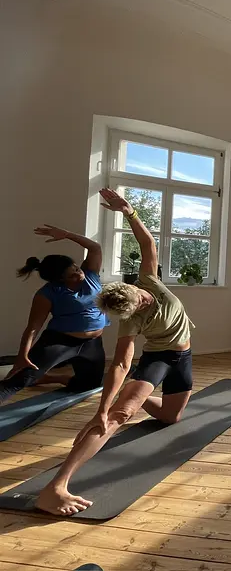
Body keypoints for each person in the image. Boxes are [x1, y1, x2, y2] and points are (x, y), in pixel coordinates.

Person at [34, 188, 194, 516]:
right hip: (160, 359)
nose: (147, 302)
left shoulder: (147, 281)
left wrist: (129, 211)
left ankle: (126, 398)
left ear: (135, 288)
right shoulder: (130, 322)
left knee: (170, 416)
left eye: (143, 298)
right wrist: (105, 408)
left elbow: (148, 243)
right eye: (142, 306)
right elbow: (121, 363)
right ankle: (56, 487)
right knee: (120, 415)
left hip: (185, 357)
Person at [2, 226, 109, 403]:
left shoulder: (90, 274)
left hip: (93, 344)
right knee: (18, 380)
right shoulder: (47, 293)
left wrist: (67, 235)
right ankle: (32, 376)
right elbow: (33, 327)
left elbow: (95, 248)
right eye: (72, 275)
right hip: (60, 342)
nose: (78, 274)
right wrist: (23, 355)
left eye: (76, 267)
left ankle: (48, 378)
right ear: (60, 280)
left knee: (89, 385)